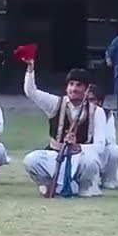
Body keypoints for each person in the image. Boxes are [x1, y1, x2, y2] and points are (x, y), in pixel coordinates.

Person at [21, 58, 106, 198]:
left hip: (81, 158)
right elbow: (31, 92)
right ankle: (48, 184)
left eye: (79, 85)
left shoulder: (97, 112)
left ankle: (85, 187)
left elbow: (100, 146)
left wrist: (78, 146)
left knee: (91, 161)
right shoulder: (55, 103)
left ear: (86, 89)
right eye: (71, 84)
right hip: (56, 154)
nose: (74, 89)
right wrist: (30, 68)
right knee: (31, 160)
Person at [86, 84, 118, 190]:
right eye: (86, 99)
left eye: (92, 100)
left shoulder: (107, 114)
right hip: (81, 153)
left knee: (114, 150)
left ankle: (107, 179)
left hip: (100, 152)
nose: (89, 103)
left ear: (100, 102)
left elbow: (110, 140)